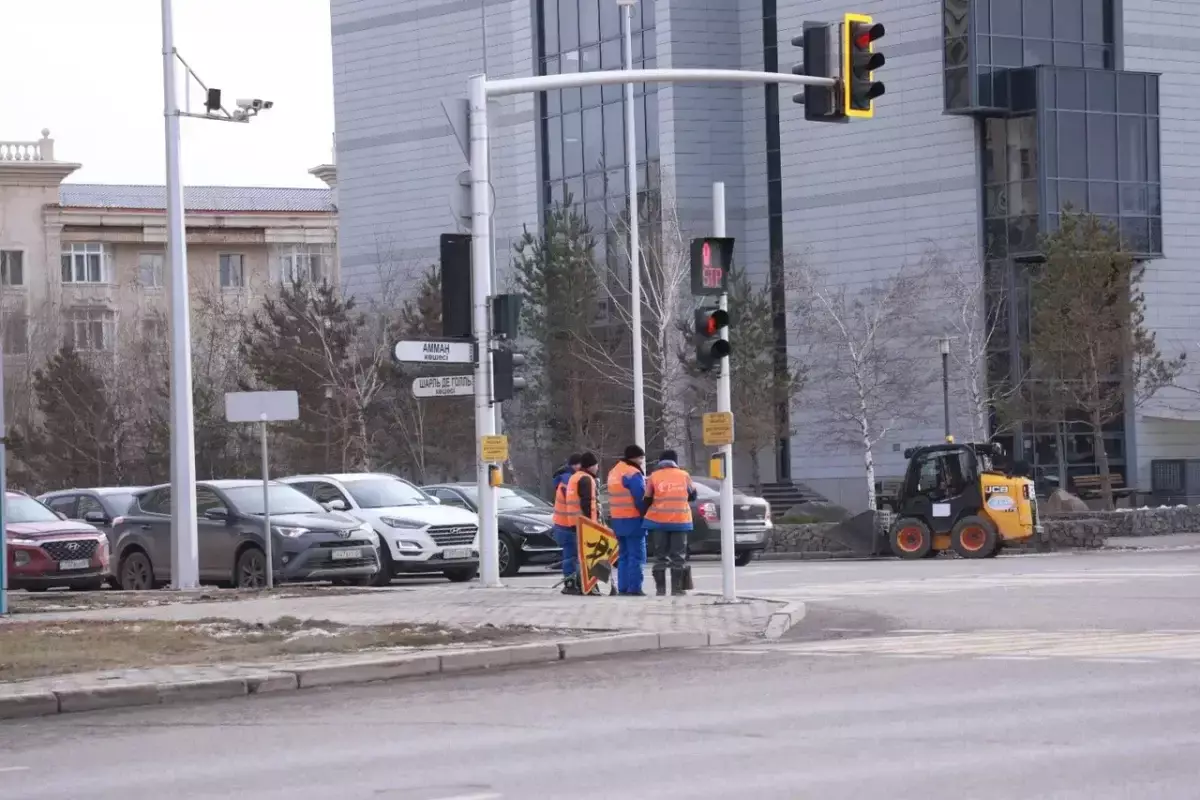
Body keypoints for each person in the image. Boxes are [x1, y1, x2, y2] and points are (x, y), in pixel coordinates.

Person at [643, 449, 697, 596]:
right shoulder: (684, 475)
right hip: (680, 520)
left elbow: (647, 499)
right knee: (678, 556)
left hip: (659, 521)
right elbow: (693, 495)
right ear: (675, 461)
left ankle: (660, 590)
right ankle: (677, 589)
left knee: (660, 556)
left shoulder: (654, 476)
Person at [607, 444, 647, 596]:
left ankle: (623, 588)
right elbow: (640, 497)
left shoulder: (614, 471)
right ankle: (634, 588)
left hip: (617, 519)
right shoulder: (632, 473)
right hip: (633, 518)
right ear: (635, 458)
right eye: (641, 458)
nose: (642, 462)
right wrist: (646, 513)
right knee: (636, 556)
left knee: (622, 555)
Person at [562, 453, 602, 594]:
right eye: (596, 465)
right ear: (591, 465)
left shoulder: (574, 477)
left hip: (574, 521)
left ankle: (582, 585)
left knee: (581, 555)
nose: (597, 468)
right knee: (588, 555)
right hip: (585, 522)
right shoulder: (586, 479)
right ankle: (589, 586)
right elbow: (587, 503)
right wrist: (592, 524)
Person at [550, 453, 583, 593]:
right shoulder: (569, 481)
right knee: (572, 556)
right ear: (576, 465)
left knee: (570, 555)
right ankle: (571, 584)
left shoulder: (563, 479)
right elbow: (574, 503)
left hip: (562, 523)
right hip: (568, 524)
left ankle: (571, 583)